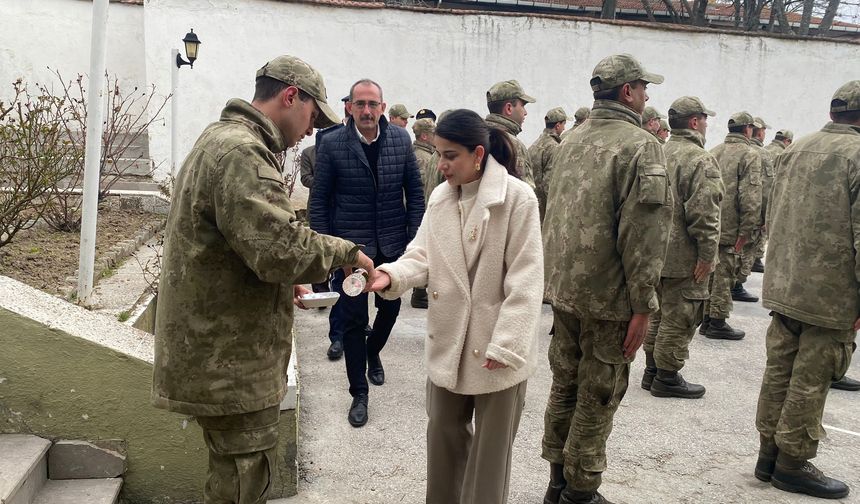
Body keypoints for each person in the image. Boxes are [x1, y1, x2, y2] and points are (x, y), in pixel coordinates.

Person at [152, 55, 374, 504]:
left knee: (231, 476)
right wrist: (345, 252)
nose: (312, 129)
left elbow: (246, 243)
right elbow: (278, 249)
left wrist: (280, 277)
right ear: (291, 96)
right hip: (230, 363)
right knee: (241, 482)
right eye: (313, 115)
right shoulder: (242, 152)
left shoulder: (224, 140)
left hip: (218, 353)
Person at [367, 109, 543, 504]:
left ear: (478, 153)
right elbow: (422, 255)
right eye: (439, 154)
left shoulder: (517, 199)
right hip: (449, 342)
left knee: (490, 459)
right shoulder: (441, 198)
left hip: (497, 348)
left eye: (450, 156)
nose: (441, 164)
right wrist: (390, 276)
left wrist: (508, 343)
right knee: (443, 438)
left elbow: (527, 280)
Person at [541, 54, 671, 504]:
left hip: (565, 292)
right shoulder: (640, 145)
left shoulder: (571, 140)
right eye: (642, 86)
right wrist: (642, 305)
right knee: (599, 393)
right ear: (626, 92)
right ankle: (581, 491)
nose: (648, 95)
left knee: (566, 384)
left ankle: (557, 483)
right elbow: (644, 235)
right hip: (609, 299)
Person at [753, 80, 860, 500]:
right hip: (830, 293)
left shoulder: (794, 148)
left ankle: (768, 455)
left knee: (780, 369)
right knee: (812, 377)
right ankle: (792, 464)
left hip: (786, 282)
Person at [310, 78, 425, 428]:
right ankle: (359, 393)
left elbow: (415, 195)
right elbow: (319, 203)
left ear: (383, 107)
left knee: (389, 314)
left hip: (392, 250)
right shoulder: (330, 143)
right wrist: (329, 253)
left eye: (372, 104)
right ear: (349, 107)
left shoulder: (401, 140)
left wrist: (413, 243)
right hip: (351, 256)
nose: (366, 110)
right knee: (353, 323)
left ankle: (373, 352)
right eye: (359, 104)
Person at [641, 96, 723, 399]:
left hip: (655, 252)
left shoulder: (658, 151)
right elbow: (705, 213)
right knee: (682, 316)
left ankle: (652, 370)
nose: (705, 124)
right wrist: (707, 255)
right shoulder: (699, 159)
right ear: (694, 122)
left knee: (658, 315)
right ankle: (667, 375)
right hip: (684, 255)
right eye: (704, 119)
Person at [700, 112, 762, 340]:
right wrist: (747, 231)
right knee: (725, 275)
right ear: (748, 129)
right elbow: (750, 197)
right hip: (733, 227)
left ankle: (707, 319)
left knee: (711, 274)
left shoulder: (714, 151)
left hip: (711, 222)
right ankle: (717, 321)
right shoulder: (749, 155)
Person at [734, 116, 774, 300]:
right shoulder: (761, 154)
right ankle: (735, 286)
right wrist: (766, 216)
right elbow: (765, 189)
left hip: (728, 216)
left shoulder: (730, 150)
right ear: (758, 130)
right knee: (745, 254)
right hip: (750, 215)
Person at [755, 129, 794, 273]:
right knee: (762, 230)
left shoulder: (764, 150)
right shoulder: (783, 154)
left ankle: (755, 258)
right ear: (787, 141)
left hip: (754, 193)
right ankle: (757, 257)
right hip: (769, 193)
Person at [485, 80, 536, 187]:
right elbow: (525, 194)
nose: (525, 112)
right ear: (509, 108)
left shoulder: (474, 136)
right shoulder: (512, 144)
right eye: (522, 105)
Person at [410, 117, 436, 309]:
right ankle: (419, 292)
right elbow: (421, 189)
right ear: (426, 136)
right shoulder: (423, 157)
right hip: (422, 210)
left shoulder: (424, 154)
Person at [529, 107, 569, 222]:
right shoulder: (554, 147)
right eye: (563, 124)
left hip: (533, 205)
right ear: (557, 126)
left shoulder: (536, 143)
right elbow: (550, 184)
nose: (564, 128)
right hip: (545, 210)